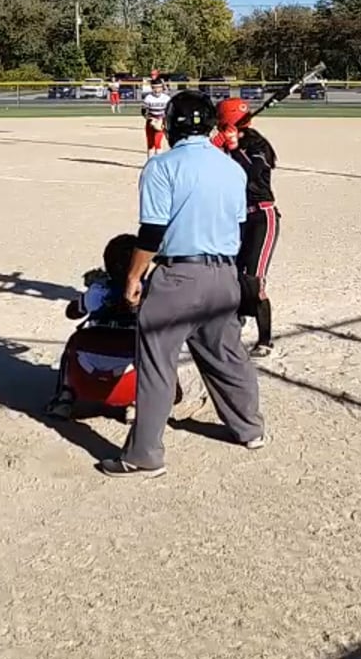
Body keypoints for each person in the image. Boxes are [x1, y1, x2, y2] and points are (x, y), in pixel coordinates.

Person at [100, 89, 265, 479]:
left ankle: (145, 454)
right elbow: (239, 224)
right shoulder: (232, 168)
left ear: (172, 126)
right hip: (224, 275)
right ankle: (250, 429)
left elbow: (152, 231)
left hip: (179, 277)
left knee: (157, 363)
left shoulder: (162, 167)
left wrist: (134, 276)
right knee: (227, 355)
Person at [212, 97, 282, 358]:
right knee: (232, 275)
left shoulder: (256, 143)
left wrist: (234, 148)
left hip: (262, 216)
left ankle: (265, 341)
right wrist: (215, 149)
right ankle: (234, 324)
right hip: (237, 218)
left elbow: (253, 174)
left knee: (254, 279)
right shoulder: (225, 143)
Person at [45, 233, 140, 419]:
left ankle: (64, 398)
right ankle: (139, 403)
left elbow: (72, 312)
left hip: (87, 375)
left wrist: (91, 290)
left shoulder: (99, 290)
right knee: (158, 346)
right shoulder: (150, 291)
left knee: (75, 340)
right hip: (129, 371)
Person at [140, 77, 172, 157]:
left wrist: (163, 120)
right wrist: (150, 118)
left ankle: (158, 161)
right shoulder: (148, 98)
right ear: (151, 88)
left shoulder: (166, 98)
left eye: (159, 87)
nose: (157, 90)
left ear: (162, 87)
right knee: (150, 144)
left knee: (157, 143)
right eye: (154, 88)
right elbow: (144, 112)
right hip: (151, 121)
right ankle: (150, 162)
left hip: (161, 121)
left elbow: (170, 112)